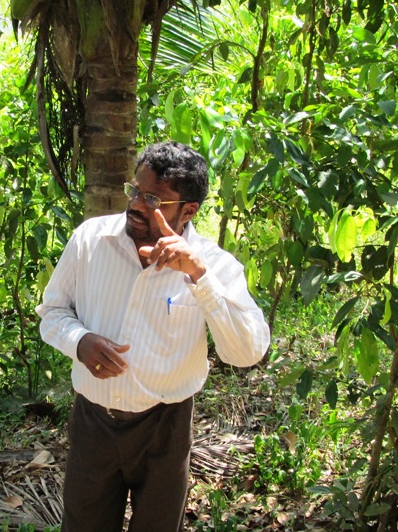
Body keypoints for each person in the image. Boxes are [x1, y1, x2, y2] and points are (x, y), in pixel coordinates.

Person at [38, 141, 270, 532]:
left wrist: (199, 278)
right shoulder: (90, 241)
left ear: (189, 210)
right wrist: (80, 340)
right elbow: (52, 312)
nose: (135, 205)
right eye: (134, 191)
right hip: (93, 422)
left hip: (166, 427)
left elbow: (247, 352)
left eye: (152, 199)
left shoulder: (213, 265)